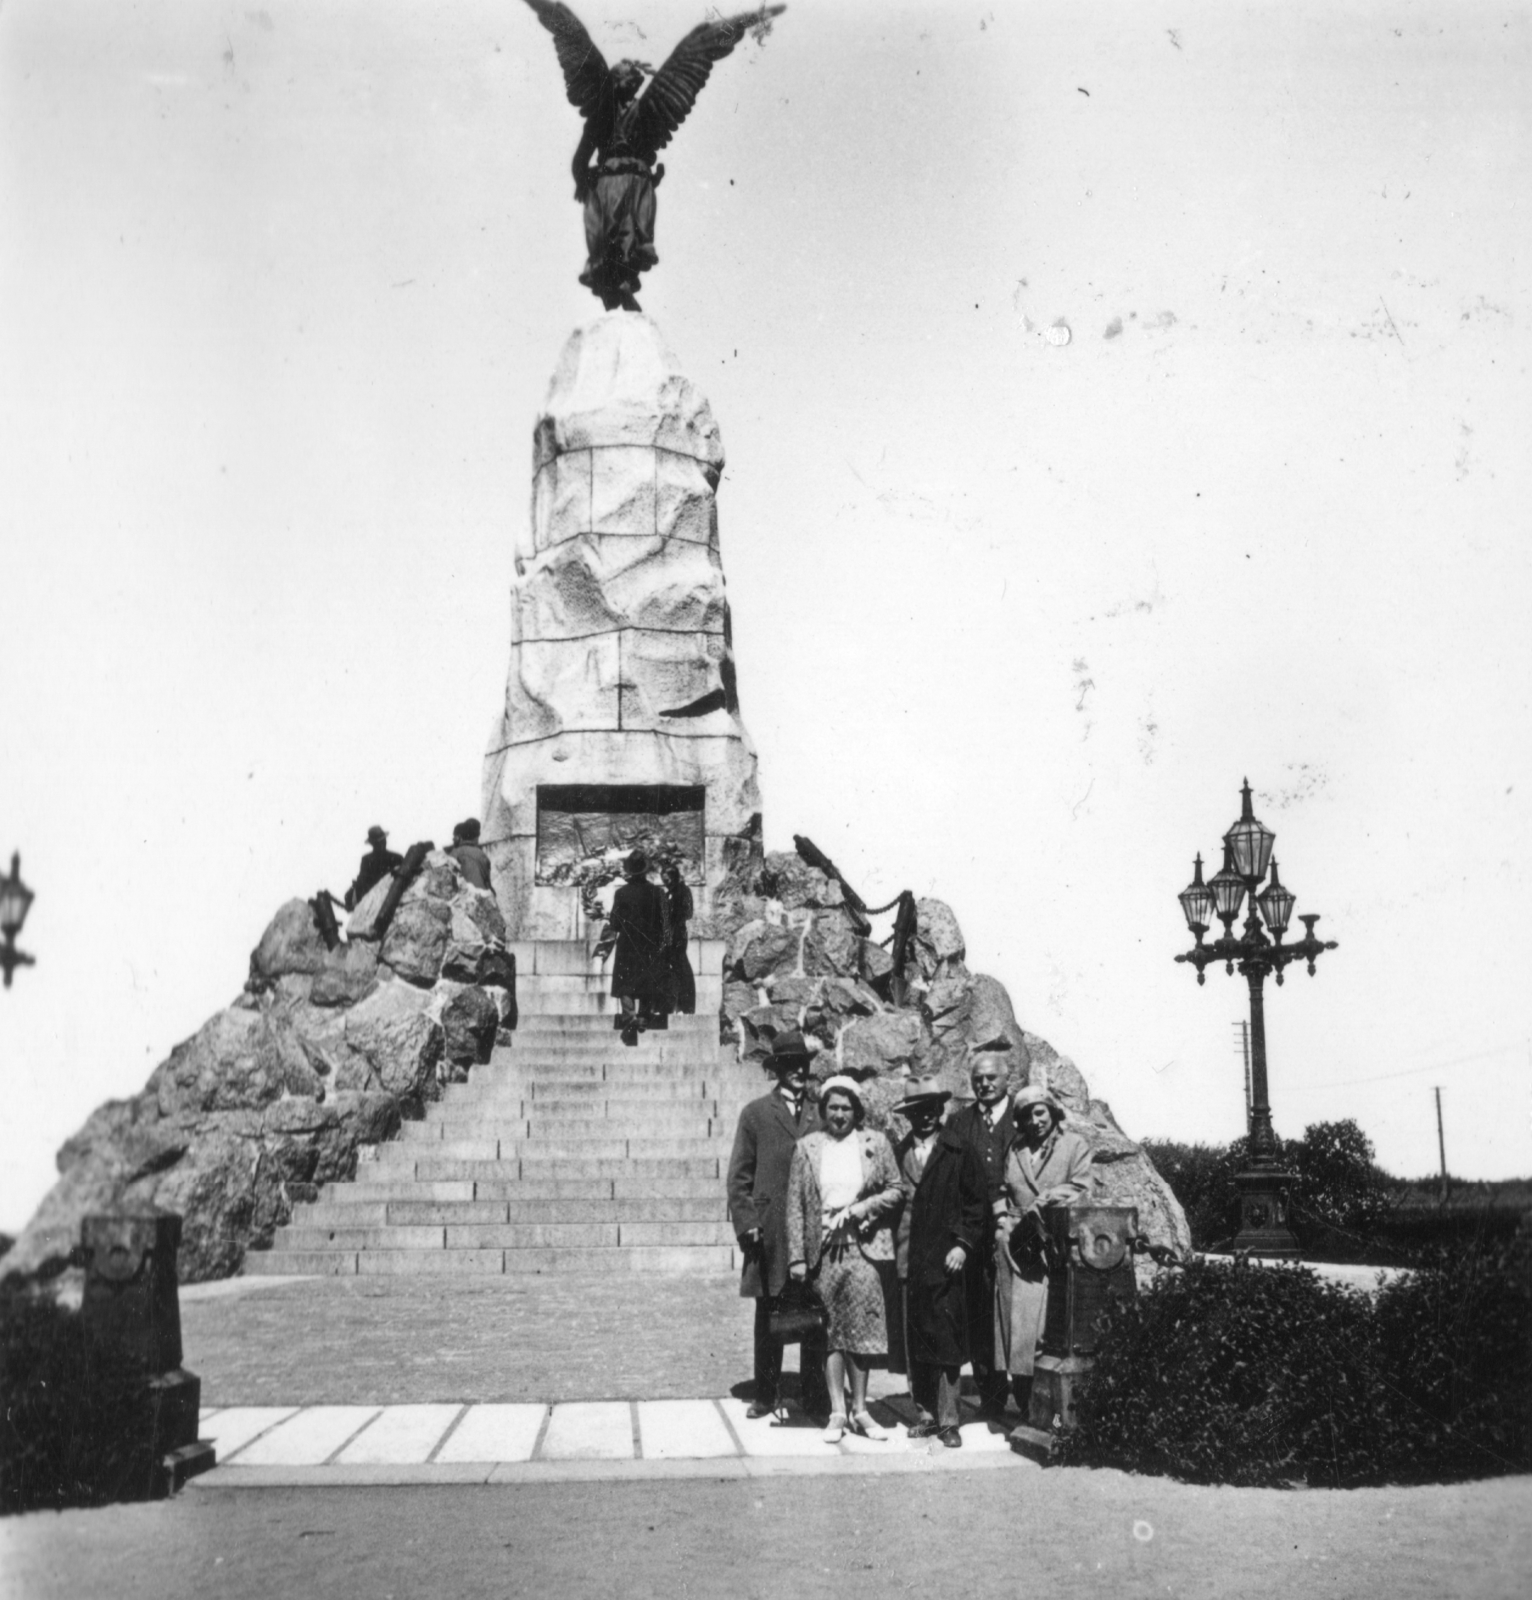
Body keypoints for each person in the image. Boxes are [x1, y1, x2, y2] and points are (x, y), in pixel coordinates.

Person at [786, 1075, 903, 1443]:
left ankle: (861, 1409)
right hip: (822, 1253)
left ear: (857, 1110)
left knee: (863, 1332)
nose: (839, 1114)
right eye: (833, 1107)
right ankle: (837, 1410)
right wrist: (796, 1258)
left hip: (863, 1250)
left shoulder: (875, 1143)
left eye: (846, 1107)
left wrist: (861, 1209)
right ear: (823, 1110)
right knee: (830, 1331)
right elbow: (794, 1207)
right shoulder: (808, 1147)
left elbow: (896, 1189)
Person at [725, 1031, 828, 1420]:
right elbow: (739, 1177)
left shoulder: (820, 1113)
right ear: (777, 1070)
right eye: (789, 1065)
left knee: (815, 1313)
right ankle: (766, 1394)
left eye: (802, 1064)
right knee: (770, 1312)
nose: (797, 1071)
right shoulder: (755, 1114)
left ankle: (815, 1394)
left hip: (813, 1228)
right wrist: (747, 1221)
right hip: (769, 1230)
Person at [891, 1076, 988, 1449]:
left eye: (931, 1109)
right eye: (917, 1111)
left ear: (941, 1110)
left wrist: (963, 1245)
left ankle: (949, 1419)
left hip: (946, 1260)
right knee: (916, 1339)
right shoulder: (899, 1152)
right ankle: (926, 1415)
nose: (925, 1117)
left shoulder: (958, 1150)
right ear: (909, 1115)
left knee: (946, 1338)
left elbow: (976, 1206)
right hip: (908, 1259)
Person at [992, 1084, 1095, 1422]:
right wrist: (1002, 1219)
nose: (1035, 1120)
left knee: (1041, 1329)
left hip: (1051, 1243)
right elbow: (1004, 1189)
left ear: (1052, 1112)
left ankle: (1045, 1402)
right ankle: (1024, 1400)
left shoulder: (1073, 1145)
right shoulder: (1016, 1148)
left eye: (1040, 1112)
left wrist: (1043, 1201)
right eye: (1026, 1115)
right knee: (1013, 1328)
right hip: (1015, 1244)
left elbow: (1081, 1187)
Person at [944, 1055, 1022, 1416]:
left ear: (1007, 1079)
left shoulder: (1025, 1116)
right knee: (979, 1315)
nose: (985, 1084)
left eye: (992, 1077)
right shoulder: (959, 1122)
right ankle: (991, 1399)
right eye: (979, 1078)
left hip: (1018, 1232)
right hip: (975, 1232)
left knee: (1018, 1312)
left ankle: (1025, 1395)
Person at [601, 850, 670, 1045]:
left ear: (629, 871)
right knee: (649, 980)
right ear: (646, 870)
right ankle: (643, 1017)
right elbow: (665, 923)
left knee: (625, 984)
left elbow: (615, 922)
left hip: (628, 944)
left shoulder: (621, 893)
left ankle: (629, 1018)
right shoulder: (658, 892)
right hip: (651, 944)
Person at [662, 864, 696, 1015]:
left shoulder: (683, 891)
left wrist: (674, 916)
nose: (665, 883)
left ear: (674, 877)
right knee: (672, 970)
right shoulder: (669, 893)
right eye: (663, 880)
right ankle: (674, 1005)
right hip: (669, 935)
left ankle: (687, 1005)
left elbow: (687, 913)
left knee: (681, 968)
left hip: (678, 936)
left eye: (667, 879)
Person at [345, 825, 402, 911]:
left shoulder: (367, 859)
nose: (383, 843)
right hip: (389, 893)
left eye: (382, 841)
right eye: (381, 841)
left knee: (349, 896)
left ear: (371, 844)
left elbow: (362, 880)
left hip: (373, 897)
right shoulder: (396, 857)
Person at [445, 818, 492, 891]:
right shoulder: (482, 854)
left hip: (471, 898)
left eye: (454, 837)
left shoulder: (455, 854)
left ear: (459, 837)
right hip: (485, 896)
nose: (453, 840)